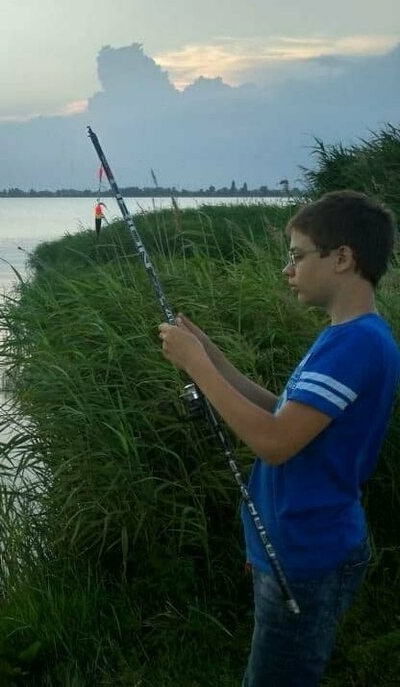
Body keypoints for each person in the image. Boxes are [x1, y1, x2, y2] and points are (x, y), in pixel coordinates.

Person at [157, 190, 399, 685]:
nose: (288, 270)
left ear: (342, 258)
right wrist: (214, 356)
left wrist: (196, 367)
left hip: (308, 553)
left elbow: (274, 442)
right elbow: (282, 413)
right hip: (297, 543)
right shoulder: (345, 335)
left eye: (296, 256)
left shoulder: (355, 345)